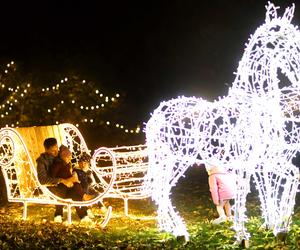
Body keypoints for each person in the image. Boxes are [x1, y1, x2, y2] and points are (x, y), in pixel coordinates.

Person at [49, 145, 94, 223]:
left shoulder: (66, 165)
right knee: (68, 188)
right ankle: (58, 215)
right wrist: (65, 180)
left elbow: (68, 177)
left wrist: (71, 179)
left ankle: (83, 216)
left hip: (66, 187)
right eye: (68, 156)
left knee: (76, 194)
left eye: (70, 156)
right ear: (63, 156)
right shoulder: (57, 165)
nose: (70, 158)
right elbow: (52, 177)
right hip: (58, 187)